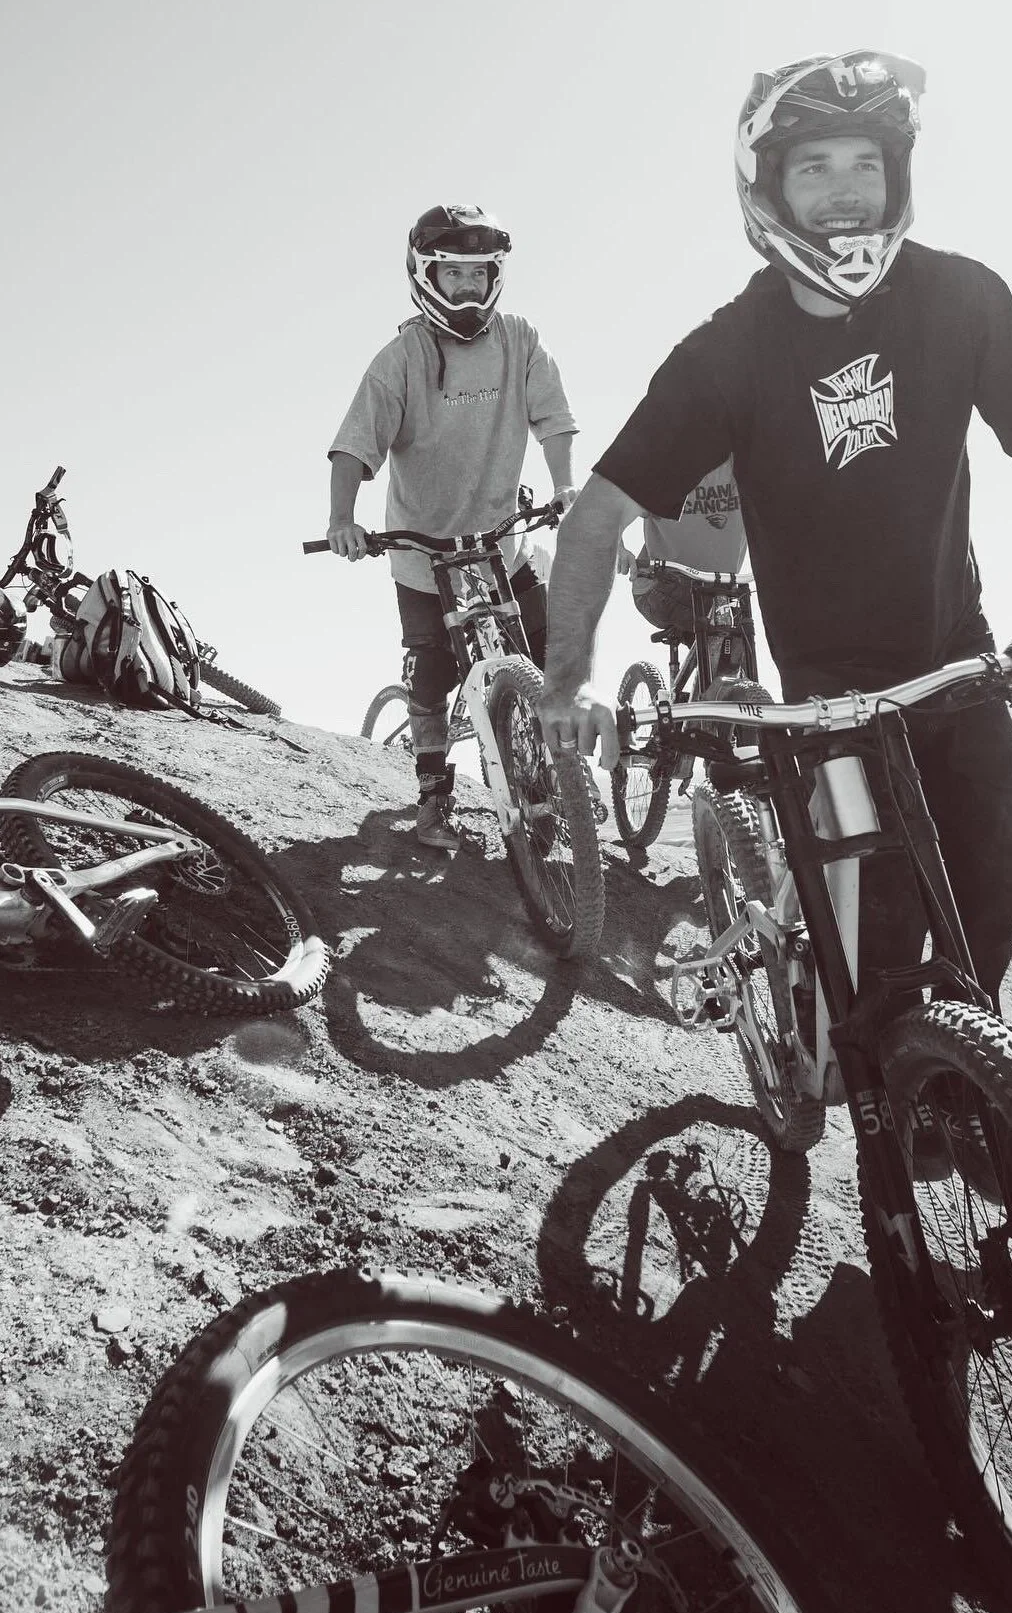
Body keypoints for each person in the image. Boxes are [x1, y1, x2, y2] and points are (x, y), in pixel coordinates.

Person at [541, 49, 1012, 1012]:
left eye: (866, 163)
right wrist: (565, 684)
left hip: (959, 661)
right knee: (879, 959)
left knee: (994, 910)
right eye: (814, 166)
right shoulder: (727, 354)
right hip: (829, 699)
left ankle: (958, 1077)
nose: (846, 191)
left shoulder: (966, 300)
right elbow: (594, 522)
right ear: (767, 188)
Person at [328, 202, 578, 850]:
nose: (468, 286)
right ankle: (435, 797)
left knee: (548, 650)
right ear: (426, 275)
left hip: (502, 542)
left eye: (478, 273)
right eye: (454, 274)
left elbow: (553, 420)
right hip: (423, 553)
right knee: (431, 677)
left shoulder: (520, 339)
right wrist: (342, 520)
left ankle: (562, 784)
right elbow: (355, 445)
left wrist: (564, 485)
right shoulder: (401, 357)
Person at [617, 458, 748, 654]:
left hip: (720, 590)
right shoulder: (666, 464)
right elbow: (613, 512)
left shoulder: (745, 464)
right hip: (661, 586)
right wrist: (620, 550)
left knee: (737, 648)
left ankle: (723, 671)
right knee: (723, 632)